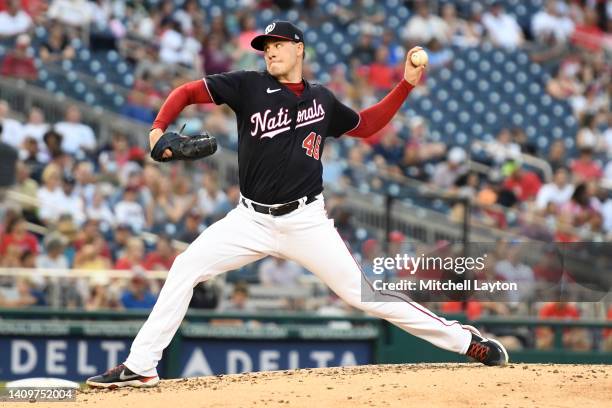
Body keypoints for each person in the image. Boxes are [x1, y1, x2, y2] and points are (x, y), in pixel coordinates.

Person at [87, 20, 508, 389]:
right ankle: (141, 366)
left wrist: (405, 85)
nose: (269, 50)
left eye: (277, 43)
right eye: (265, 45)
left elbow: (367, 125)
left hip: (306, 221)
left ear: (299, 49)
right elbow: (186, 91)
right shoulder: (247, 85)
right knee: (185, 267)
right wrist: (158, 129)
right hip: (249, 219)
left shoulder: (321, 100)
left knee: (365, 295)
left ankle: (466, 341)